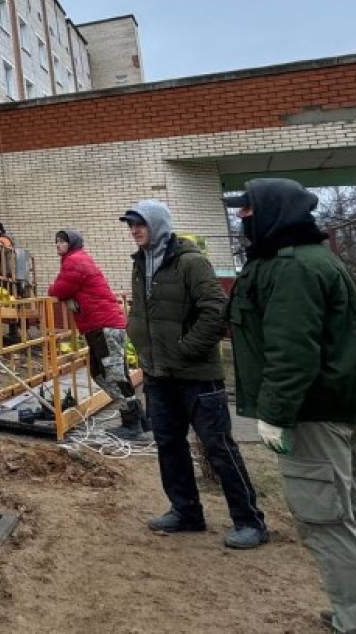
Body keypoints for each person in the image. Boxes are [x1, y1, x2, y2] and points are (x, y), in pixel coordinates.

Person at [225, 179, 356, 633]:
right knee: (352, 514)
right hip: (336, 410)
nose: (242, 219)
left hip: (315, 415)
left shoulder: (293, 268)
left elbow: (292, 350)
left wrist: (275, 413)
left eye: (247, 211)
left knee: (326, 521)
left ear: (271, 213)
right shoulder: (305, 260)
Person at [121, 199, 268, 549]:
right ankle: (186, 511)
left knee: (218, 446)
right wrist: (138, 339)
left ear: (158, 224)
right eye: (131, 225)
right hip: (158, 372)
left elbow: (216, 309)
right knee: (169, 445)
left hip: (196, 375)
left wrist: (187, 348)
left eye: (140, 224)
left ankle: (250, 521)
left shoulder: (190, 263)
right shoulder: (141, 263)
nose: (135, 230)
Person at [47, 230, 148, 441]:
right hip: (100, 326)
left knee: (112, 374)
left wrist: (57, 291)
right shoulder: (75, 260)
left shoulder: (75, 261)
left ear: (72, 243)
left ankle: (132, 423)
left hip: (104, 326)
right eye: (56, 241)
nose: (57, 245)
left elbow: (59, 289)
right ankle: (138, 416)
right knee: (102, 373)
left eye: (62, 241)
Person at [0, 221, 17, 286]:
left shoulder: (0, 240)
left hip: (2, 270)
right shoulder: (6, 239)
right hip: (9, 270)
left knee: (1, 291)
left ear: (0, 230)